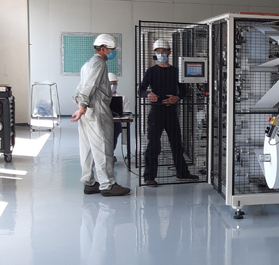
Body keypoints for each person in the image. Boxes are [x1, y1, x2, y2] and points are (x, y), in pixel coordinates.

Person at [71, 34, 131, 197]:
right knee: (103, 147)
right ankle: (108, 185)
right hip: (97, 111)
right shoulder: (99, 63)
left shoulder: (87, 64)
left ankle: (89, 183)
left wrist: (80, 105)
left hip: (87, 111)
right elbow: (90, 86)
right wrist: (82, 105)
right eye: (111, 49)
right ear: (103, 49)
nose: (113, 52)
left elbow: (80, 87)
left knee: (88, 149)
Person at [139, 38, 198, 187]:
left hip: (171, 112)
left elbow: (184, 90)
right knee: (153, 145)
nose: (161, 54)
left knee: (177, 144)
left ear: (169, 52)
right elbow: (141, 90)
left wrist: (177, 98)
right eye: (158, 52)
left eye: (163, 51)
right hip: (156, 113)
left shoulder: (176, 72)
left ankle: (182, 173)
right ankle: (149, 177)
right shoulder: (151, 71)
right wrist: (148, 94)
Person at [109, 73, 130, 162]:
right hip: (104, 122)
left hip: (116, 122)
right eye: (110, 84)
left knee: (114, 132)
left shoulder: (122, 98)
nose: (113, 86)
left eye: (114, 84)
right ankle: (106, 155)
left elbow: (127, 112)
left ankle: (110, 154)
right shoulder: (102, 98)